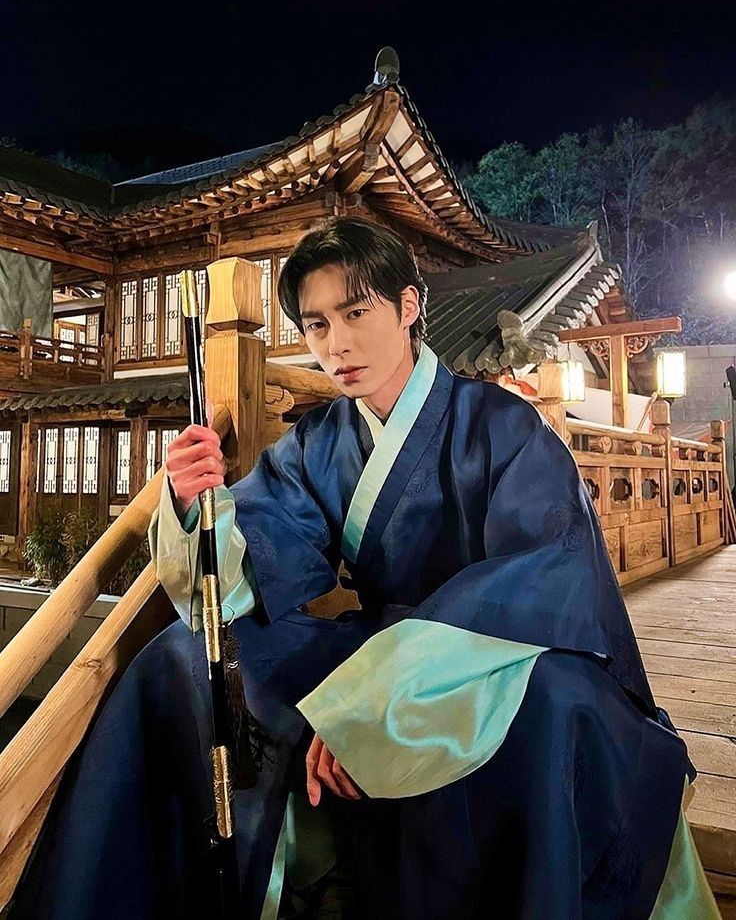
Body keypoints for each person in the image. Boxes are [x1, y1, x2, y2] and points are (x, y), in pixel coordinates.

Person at [10, 218, 718, 919]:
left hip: (498, 650)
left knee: (559, 700)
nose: (336, 344)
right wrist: (198, 507)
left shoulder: (503, 426)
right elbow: (255, 557)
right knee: (190, 654)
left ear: (409, 307)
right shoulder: (320, 442)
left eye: (356, 312)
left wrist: (376, 703)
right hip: (383, 644)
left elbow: (543, 573)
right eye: (316, 325)